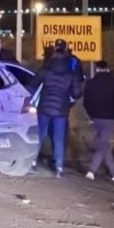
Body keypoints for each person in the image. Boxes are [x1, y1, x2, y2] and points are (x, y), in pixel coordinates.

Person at [29, 40, 83, 177]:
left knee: (40, 134)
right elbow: (77, 92)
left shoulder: (47, 67)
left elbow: (34, 82)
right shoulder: (71, 71)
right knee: (58, 138)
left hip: (45, 107)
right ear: (66, 51)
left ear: (55, 51)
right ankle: (58, 167)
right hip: (61, 110)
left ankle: (32, 162)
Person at [83, 60, 114, 181]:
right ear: (107, 69)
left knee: (103, 144)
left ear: (96, 69)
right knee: (103, 144)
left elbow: (86, 102)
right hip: (109, 119)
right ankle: (92, 170)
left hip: (96, 118)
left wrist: (91, 116)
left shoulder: (91, 83)